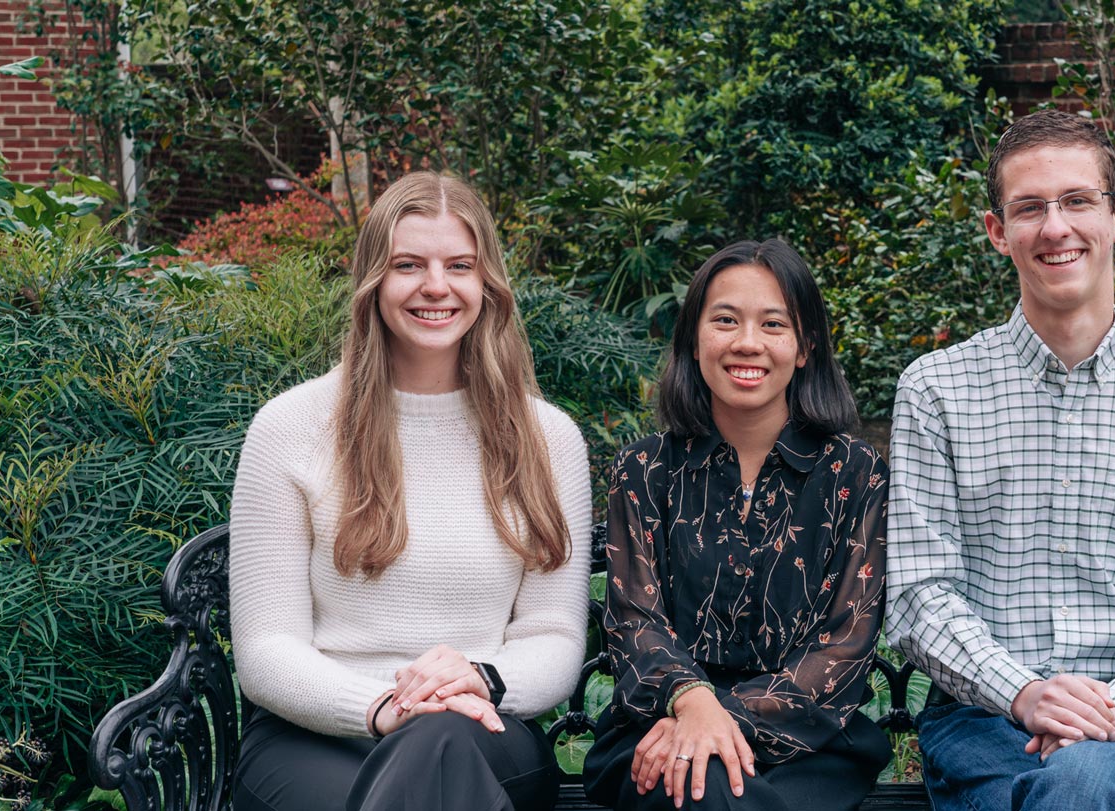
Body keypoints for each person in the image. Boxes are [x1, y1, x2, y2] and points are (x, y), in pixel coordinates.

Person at [885, 110, 1115, 811]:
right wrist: (1024, 693)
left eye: (1076, 200)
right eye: (1029, 207)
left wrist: (1112, 710)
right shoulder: (936, 391)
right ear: (999, 232)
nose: (1055, 227)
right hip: (981, 720)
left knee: (1082, 782)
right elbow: (919, 593)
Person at [228, 172, 593, 811]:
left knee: (439, 748)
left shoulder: (548, 438)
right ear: (374, 280)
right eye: (408, 264)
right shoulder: (290, 427)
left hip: (482, 727)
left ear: (488, 285)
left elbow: (554, 635)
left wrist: (480, 678)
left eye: (459, 265)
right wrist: (381, 708)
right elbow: (266, 648)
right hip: (315, 733)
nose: (436, 286)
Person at [582, 239, 892, 811]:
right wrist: (691, 700)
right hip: (654, 728)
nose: (747, 343)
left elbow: (844, 642)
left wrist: (716, 719)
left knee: (714, 788)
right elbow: (632, 620)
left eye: (774, 324)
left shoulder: (855, 474)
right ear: (694, 340)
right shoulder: (645, 470)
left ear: (805, 348)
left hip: (810, 744)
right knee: (706, 789)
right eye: (725, 320)